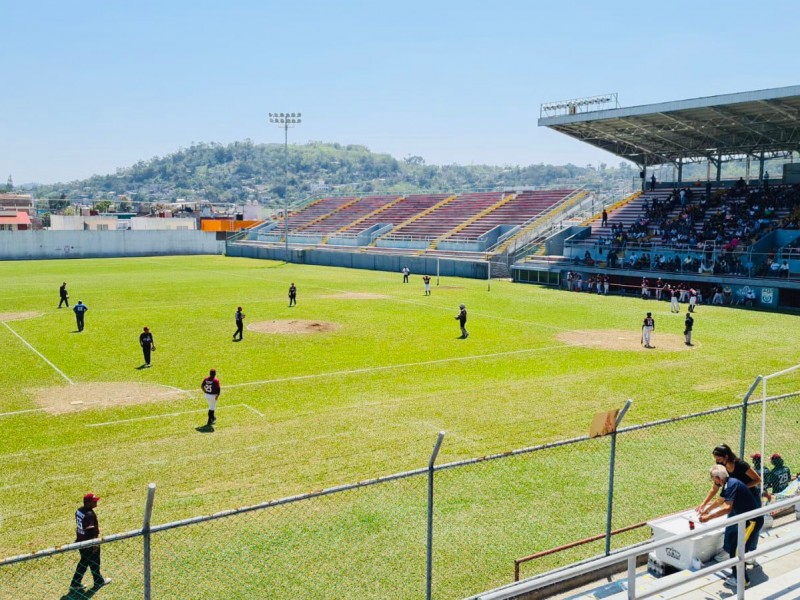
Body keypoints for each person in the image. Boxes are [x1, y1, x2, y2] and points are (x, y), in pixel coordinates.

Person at [698, 465, 763, 587]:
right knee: (734, 547)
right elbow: (721, 500)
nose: (713, 481)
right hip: (746, 521)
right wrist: (707, 510)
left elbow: (727, 508)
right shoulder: (730, 483)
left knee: (737, 551)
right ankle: (740, 572)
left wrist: (709, 517)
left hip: (751, 522)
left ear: (718, 478)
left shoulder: (731, 484)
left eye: (713, 478)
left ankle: (742, 581)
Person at [69, 493, 111, 594]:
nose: (96, 501)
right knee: (94, 562)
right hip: (89, 543)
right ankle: (97, 581)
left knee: (84, 562)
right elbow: (90, 530)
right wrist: (95, 543)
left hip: (81, 541)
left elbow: (80, 527)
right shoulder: (89, 514)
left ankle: (77, 583)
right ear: (88, 503)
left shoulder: (79, 511)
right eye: (94, 501)